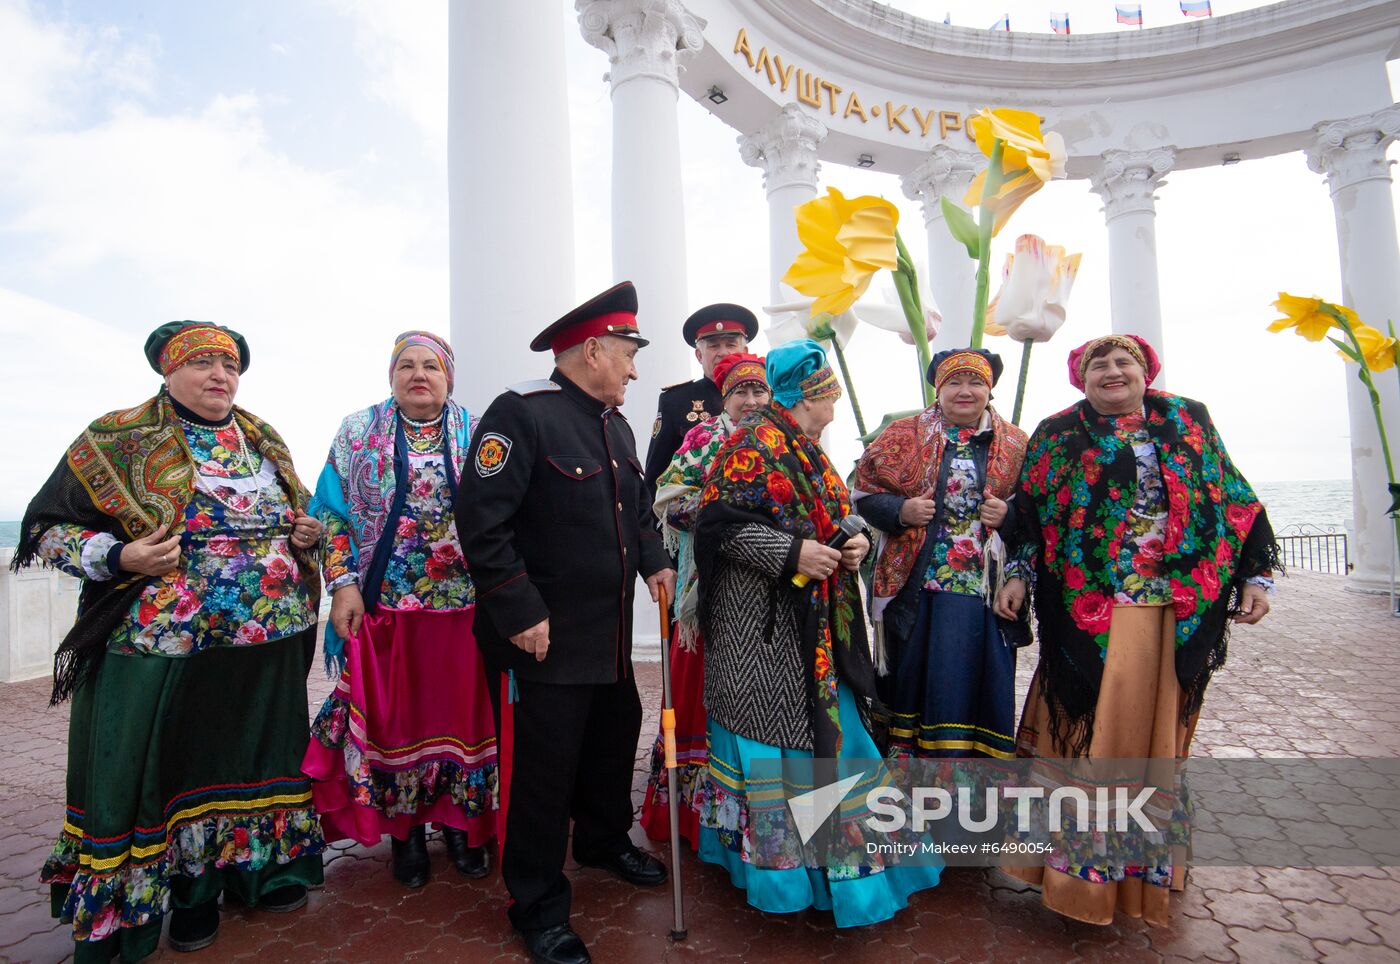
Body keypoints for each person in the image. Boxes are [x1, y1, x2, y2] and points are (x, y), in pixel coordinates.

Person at [14, 322, 326, 961]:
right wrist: (119, 554)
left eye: (231, 365)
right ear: (167, 369)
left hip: (266, 641)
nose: (221, 375)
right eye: (204, 362)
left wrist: (302, 538)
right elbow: (44, 529)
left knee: (252, 762)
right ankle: (184, 896)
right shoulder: (118, 437)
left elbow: (295, 520)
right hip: (163, 644)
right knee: (168, 770)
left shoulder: (263, 438)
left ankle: (253, 875)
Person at [994, 333, 1278, 926]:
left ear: (1146, 371)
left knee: (1153, 741)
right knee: (1090, 736)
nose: (1113, 371)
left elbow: (1234, 500)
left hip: (1175, 611)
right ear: (1082, 379)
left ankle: (1143, 871)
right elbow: (1031, 514)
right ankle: (1076, 879)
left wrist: (1256, 576)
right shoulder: (1059, 432)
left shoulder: (1187, 419)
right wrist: (1017, 576)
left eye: (1125, 362)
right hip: (1088, 610)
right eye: (1099, 365)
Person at [456, 281, 677, 964]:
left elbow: (634, 509)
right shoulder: (521, 414)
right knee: (544, 774)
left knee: (615, 738)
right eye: (628, 354)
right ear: (591, 351)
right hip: (543, 636)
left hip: (606, 631)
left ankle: (603, 840)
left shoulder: (616, 424)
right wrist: (518, 611)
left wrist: (656, 562)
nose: (636, 370)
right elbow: (481, 523)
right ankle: (538, 902)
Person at [691, 338, 942, 927]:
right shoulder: (751, 446)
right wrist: (791, 553)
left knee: (835, 736)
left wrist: (851, 537)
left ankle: (844, 877)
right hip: (762, 633)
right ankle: (788, 882)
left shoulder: (805, 448)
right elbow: (719, 528)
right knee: (781, 742)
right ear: (812, 396)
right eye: (828, 393)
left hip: (817, 631)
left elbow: (830, 514)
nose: (833, 404)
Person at [301, 331, 496, 888]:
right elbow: (332, 515)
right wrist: (343, 586)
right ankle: (405, 831)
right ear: (390, 376)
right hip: (386, 606)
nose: (418, 374)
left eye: (431, 366)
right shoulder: (357, 432)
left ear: (448, 377)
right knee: (396, 720)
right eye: (405, 365)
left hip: (467, 608)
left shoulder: (481, 430)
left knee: (464, 718)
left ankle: (462, 825)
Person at [853, 349, 1029, 759]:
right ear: (938, 388)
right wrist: (900, 510)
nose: (964, 391)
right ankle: (907, 786)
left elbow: (1037, 519)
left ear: (990, 390)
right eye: (954, 382)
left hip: (984, 592)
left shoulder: (1017, 444)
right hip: (916, 588)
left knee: (974, 681)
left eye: (975, 382)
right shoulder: (901, 435)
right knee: (913, 680)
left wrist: (1009, 514)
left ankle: (972, 785)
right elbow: (862, 496)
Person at [640, 352, 770, 849]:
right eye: (741, 392)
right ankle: (692, 818)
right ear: (725, 397)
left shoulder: (784, 440)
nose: (751, 400)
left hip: (767, 594)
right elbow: (668, 497)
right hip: (705, 591)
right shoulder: (703, 438)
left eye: (760, 390)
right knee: (697, 694)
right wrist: (727, 515)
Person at [642, 303, 758, 504]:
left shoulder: (765, 400)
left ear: (745, 351)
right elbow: (655, 478)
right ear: (699, 355)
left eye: (731, 344)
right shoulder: (675, 401)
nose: (722, 353)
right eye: (713, 346)